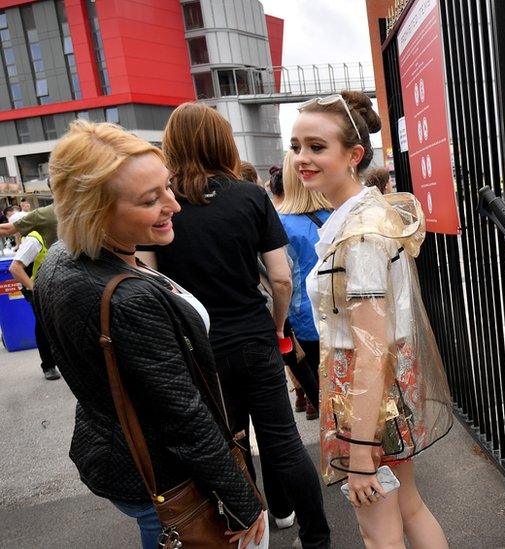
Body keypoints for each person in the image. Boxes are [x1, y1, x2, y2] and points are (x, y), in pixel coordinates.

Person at [33, 120, 265, 549]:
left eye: (168, 188)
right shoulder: (125, 298)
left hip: (119, 454)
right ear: (95, 211)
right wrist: (243, 500)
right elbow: (183, 415)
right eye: (150, 199)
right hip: (163, 474)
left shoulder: (63, 259)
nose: (174, 206)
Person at [141, 102, 331, 548]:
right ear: (222, 141)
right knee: (284, 441)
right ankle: (317, 538)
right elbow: (281, 278)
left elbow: (153, 283)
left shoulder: (164, 207)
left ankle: (251, 529)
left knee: (229, 444)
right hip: (253, 334)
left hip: (197, 348)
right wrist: (277, 327)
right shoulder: (250, 196)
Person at [292, 91, 454, 548]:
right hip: (379, 386)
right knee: (408, 507)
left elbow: (369, 347)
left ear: (354, 155)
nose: (302, 158)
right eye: (297, 145)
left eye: (317, 147)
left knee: (379, 531)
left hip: (367, 392)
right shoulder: (364, 217)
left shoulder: (360, 234)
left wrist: (362, 452)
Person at [276, 151, 329, 418]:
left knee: (320, 391)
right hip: (343, 313)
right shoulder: (338, 213)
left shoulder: (280, 223)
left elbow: (281, 278)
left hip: (304, 319)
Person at [9, 228, 60, 380]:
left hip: (53, 286)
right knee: (44, 324)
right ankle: (49, 365)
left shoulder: (61, 232)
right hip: (34, 288)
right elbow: (15, 268)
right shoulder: (34, 238)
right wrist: (35, 289)